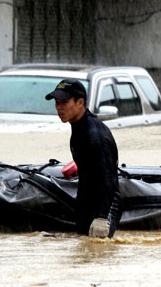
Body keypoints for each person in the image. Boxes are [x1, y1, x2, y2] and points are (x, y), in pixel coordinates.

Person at [45, 78, 120, 238]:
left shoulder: (95, 135)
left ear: (80, 102)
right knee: (82, 255)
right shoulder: (78, 127)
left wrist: (101, 217)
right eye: (57, 103)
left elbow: (108, 178)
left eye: (64, 102)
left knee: (99, 254)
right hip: (87, 201)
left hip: (104, 206)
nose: (59, 108)